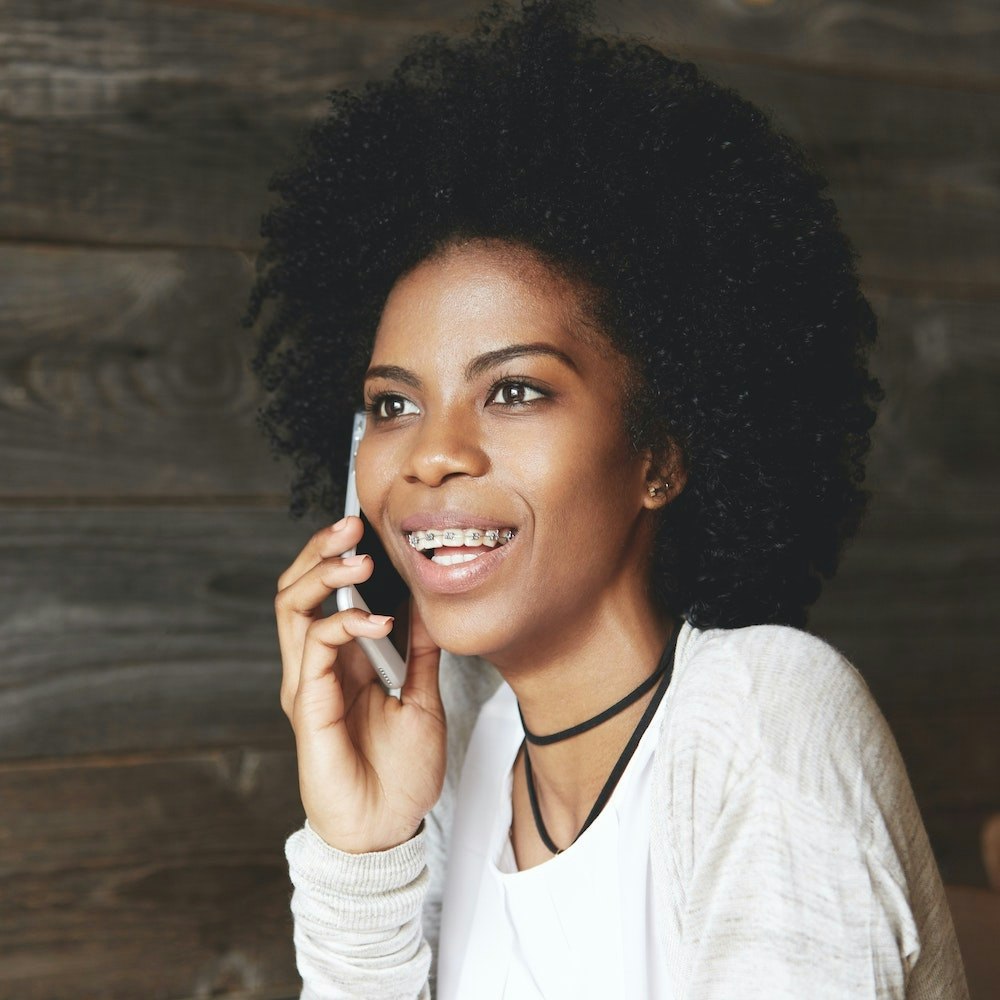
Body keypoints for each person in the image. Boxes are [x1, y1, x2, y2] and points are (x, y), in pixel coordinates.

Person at [243, 1, 969, 997]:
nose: (430, 455)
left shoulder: (761, 716)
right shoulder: (460, 744)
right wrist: (361, 844)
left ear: (660, 457)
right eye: (392, 402)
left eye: (513, 389)